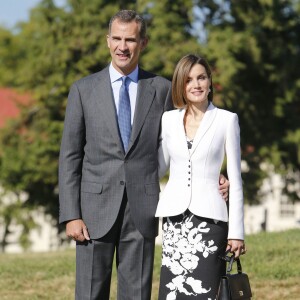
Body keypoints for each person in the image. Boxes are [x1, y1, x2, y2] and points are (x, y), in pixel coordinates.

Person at [59, 10, 229, 300]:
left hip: (143, 209)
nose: (122, 46)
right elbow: (70, 157)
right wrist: (71, 215)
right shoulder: (83, 90)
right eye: (117, 38)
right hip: (92, 213)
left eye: (130, 40)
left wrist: (212, 173)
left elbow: (182, 139)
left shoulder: (162, 89)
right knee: (89, 294)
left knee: (137, 295)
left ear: (144, 42)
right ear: (107, 40)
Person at [155, 54, 246, 299]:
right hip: (174, 222)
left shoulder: (227, 120)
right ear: (180, 86)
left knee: (205, 292)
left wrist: (236, 232)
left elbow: (236, 180)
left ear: (209, 82)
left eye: (201, 78)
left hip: (211, 223)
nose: (196, 85)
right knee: (174, 293)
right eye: (188, 80)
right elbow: (159, 167)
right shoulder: (168, 119)